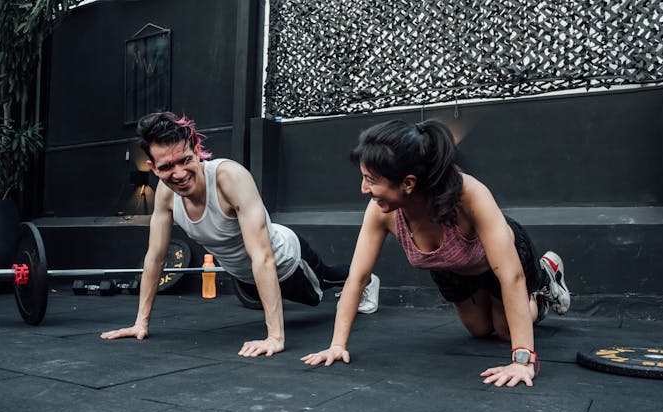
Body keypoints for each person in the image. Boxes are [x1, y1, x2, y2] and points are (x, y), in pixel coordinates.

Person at [301, 119, 570, 387]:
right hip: (451, 270)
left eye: (371, 180)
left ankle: (544, 283)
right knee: (479, 331)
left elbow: (511, 276)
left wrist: (523, 360)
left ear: (408, 183)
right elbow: (358, 277)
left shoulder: (469, 194)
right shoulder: (381, 212)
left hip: (495, 264)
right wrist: (337, 345)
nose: (363, 189)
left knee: (503, 331)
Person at [101, 112, 380, 357]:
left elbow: (263, 257)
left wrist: (275, 338)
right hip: (244, 276)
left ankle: (368, 280)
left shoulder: (229, 178)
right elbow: (155, 257)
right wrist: (141, 322)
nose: (179, 173)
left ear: (197, 150)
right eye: (165, 167)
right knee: (259, 299)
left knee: (319, 293)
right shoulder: (165, 195)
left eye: (184, 160)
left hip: (285, 260)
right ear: (152, 167)